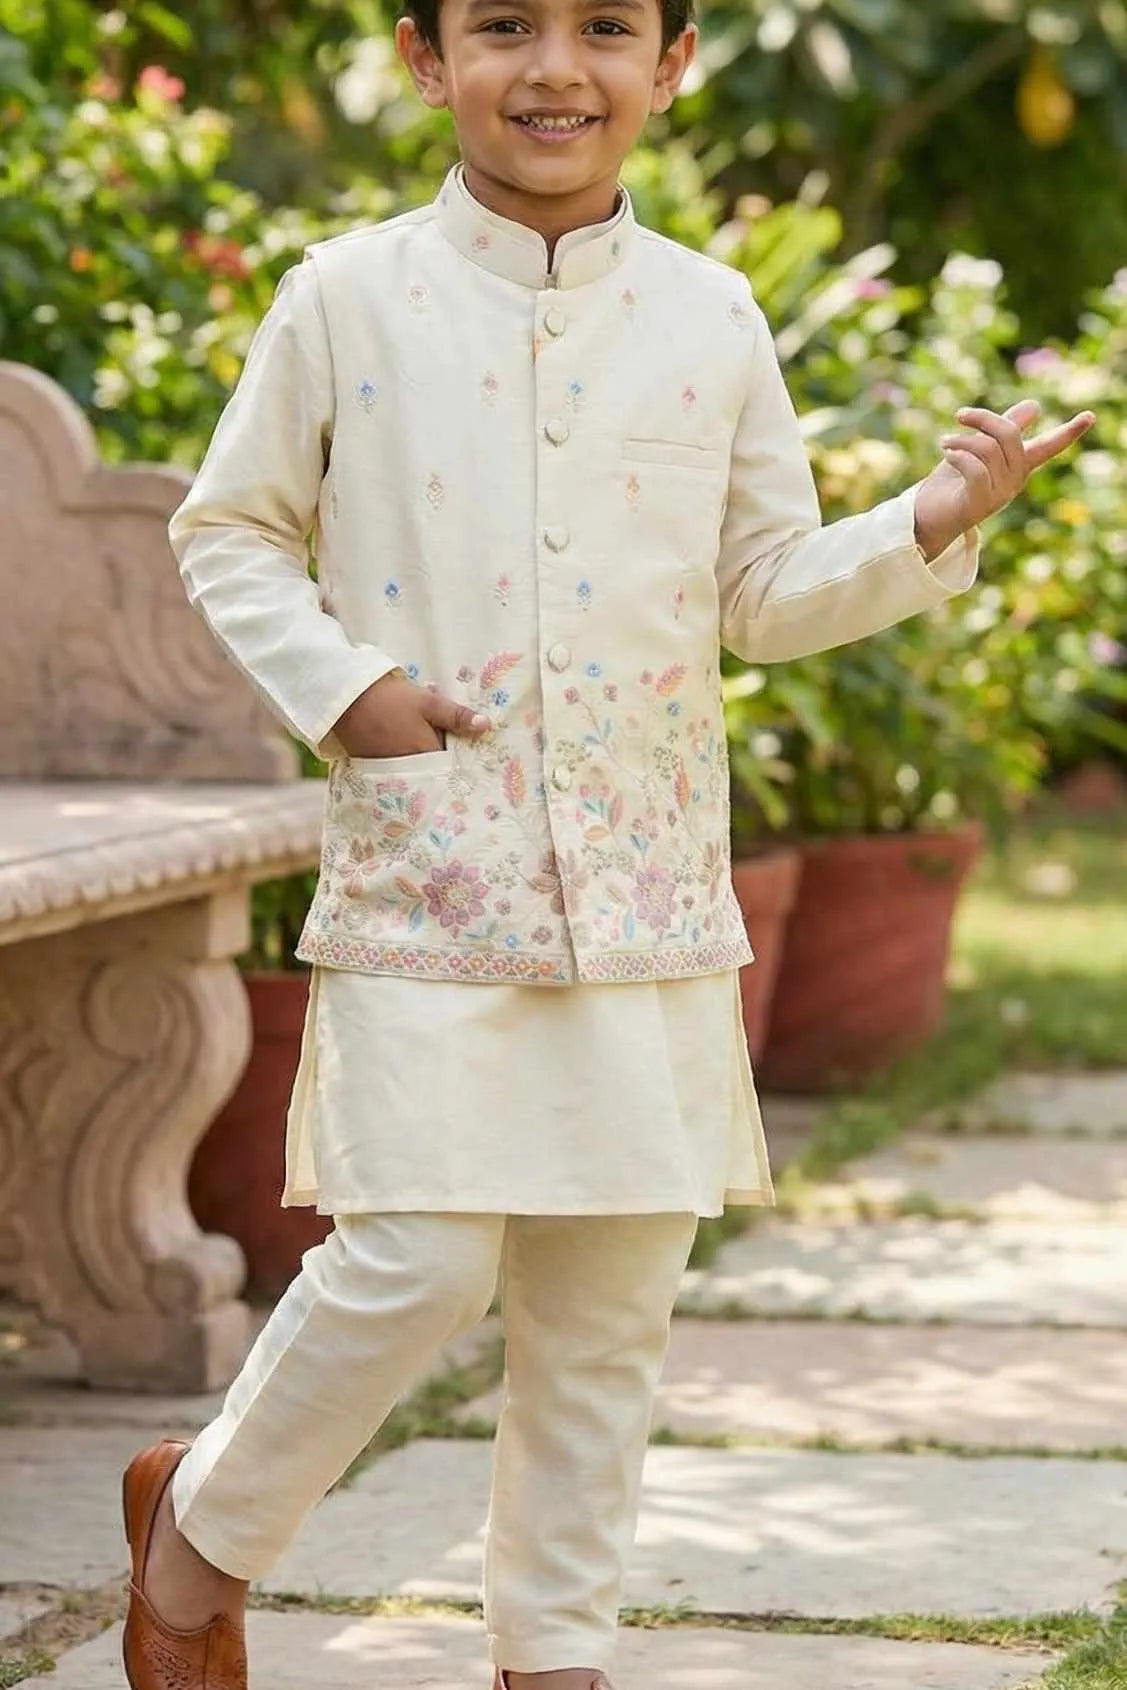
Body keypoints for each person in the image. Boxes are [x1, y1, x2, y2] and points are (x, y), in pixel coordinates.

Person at [120, 0, 1094, 1685]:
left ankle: (555, 1654)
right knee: (414, 1263)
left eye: (604, 27)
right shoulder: (344, 299)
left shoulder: (712, 318)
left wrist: (930, 523)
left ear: (674, 59)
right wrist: (348, 689)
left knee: (608, 1314)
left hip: (649, 904)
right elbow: (232, 531)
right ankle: (198, 1533)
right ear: (428, 58)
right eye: (504, 25)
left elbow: (760, 588)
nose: (555, 67)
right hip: (430, 879)